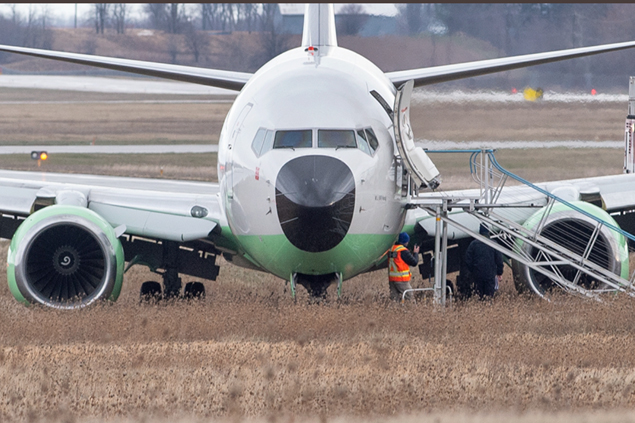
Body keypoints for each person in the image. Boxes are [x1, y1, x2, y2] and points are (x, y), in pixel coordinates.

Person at [464, 224, 504, 299]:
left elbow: (467, 260)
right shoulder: (493, 244)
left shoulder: (473, 244)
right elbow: (499, 260)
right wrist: (499, 272)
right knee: (489, 297)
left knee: (479, 296)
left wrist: (472, 271)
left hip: (477, 275)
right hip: (490, 275)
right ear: (488, 232)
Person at [388, 232, 420, 302]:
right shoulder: (402, 251)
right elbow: (414, 262)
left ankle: (394, 312)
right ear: (406, 242)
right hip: (401, 280)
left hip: (392, 279)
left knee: (394, 301)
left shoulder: (392, 249)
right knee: (410, 298)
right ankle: (412, 312)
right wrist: (415, 253)